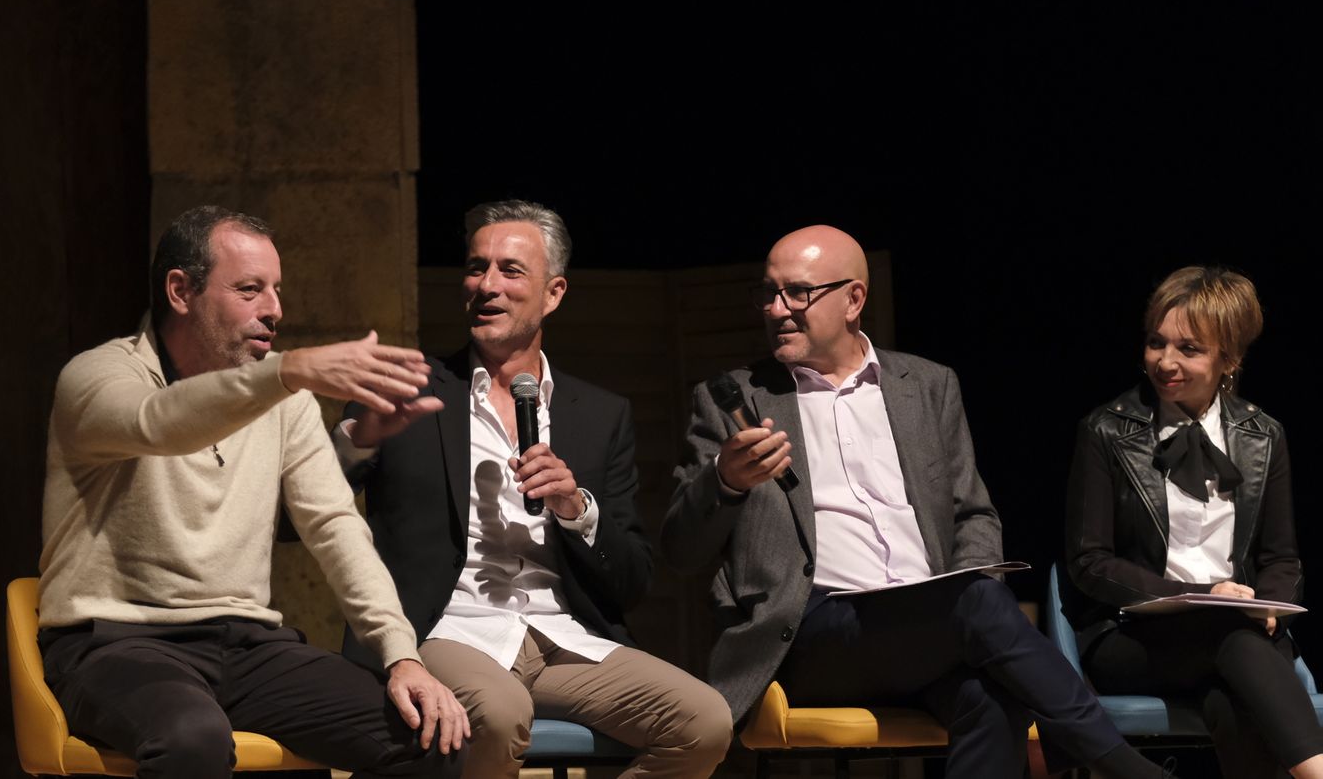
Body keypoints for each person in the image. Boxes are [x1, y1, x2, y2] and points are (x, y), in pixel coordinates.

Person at [662, 225, 1170, 779]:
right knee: (978, 603)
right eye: (768, 292)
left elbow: (972, 514)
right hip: (810, 634)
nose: (777, 309)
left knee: (990, 696)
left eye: (798, 293)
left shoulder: (927, 385)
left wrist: (967, 613)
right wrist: (726, 480)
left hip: (928, 625)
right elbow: (681, 551)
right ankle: (1118, 763)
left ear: (854, 298)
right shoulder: (733, 399)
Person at [37, 205, 469, 779]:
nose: (274, 310)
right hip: (114, 642)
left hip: (247, 645)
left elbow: (336, 527)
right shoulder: (96, 378)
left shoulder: (282, 401)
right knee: (192, 740)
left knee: (428, 738)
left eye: (276, 290)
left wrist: (401, 655)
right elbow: (159, 423)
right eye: (249, 290)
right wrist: (288, 372)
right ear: (179, 291)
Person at [333, 200, 731, 779]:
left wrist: (577, 509)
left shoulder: (599, 413)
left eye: (510, 271)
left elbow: (632, 578)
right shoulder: (410, 391)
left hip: (561, 636)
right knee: (498, 711)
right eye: (476, 268)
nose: (486, 285)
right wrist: (357, 437)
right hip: (443, 630)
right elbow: (299, 516)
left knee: (705, 722)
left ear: (554, 293)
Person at [1065, 265, 1323, 778]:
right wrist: (1199, 595)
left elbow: (1281, 558)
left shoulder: (1263, 435)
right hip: (1132, 637)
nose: (1165, 362)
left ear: (1230, 358)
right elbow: (1089, 562)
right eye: (1156, 343)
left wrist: (1271, 608)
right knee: (1234, 639)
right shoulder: (1106, 430)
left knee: (1234, 701)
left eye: (1188, 349)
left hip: (1236, 639)